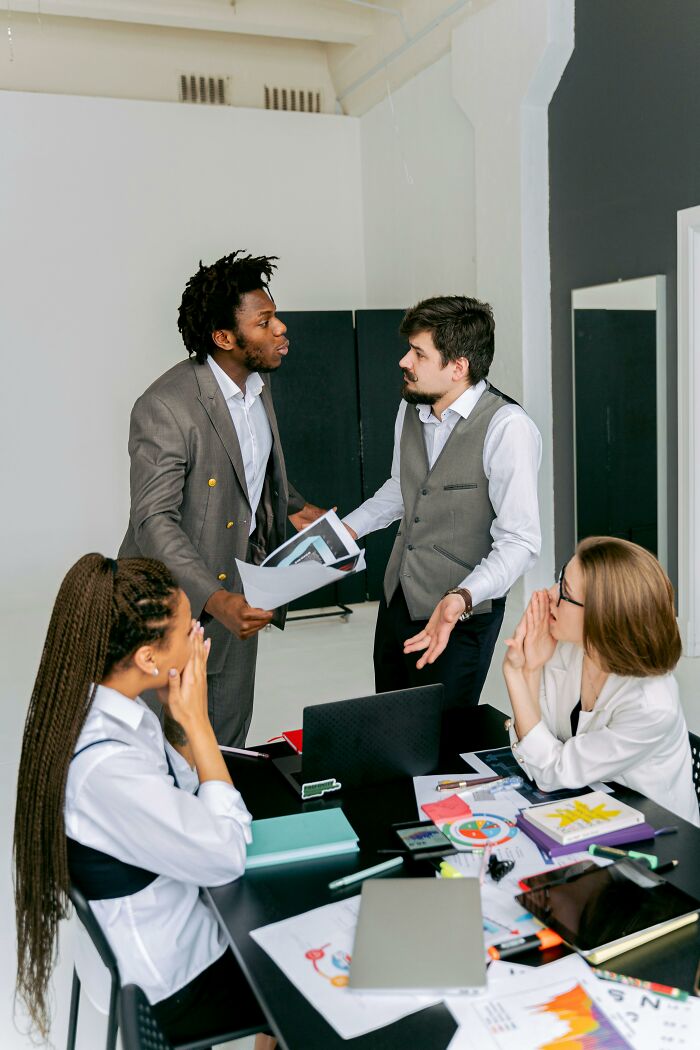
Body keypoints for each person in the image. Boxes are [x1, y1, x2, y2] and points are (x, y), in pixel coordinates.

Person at [14, 553, 275, 1047]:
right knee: (305, 980)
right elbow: (225, 853)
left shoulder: (105, 708)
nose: (201, 634)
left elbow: (185, 788)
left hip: (158, 933)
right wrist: (199, 722)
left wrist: (178, 715)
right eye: (188, 628)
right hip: (171, 982)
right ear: (148, 658)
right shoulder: (108, 770)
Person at [119, 250, 323, 746]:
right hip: (172, 605)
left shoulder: (257, 385)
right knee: (169, 745)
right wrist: (216, 598)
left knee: (227, 734)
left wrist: (297, 507)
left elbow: (246, 466)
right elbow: (153, 521)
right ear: (224, 338)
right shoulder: (165, 407)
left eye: (275, 316)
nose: (280, 329)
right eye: (265, 321)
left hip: (239, 588)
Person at [343, 295, 541, 710]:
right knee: (390, 722)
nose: (404, 362)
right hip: (398, 600)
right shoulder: (410, 408)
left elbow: (520, 542)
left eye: (418, 353)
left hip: (463, 614)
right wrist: (346, 530)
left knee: (442, 740)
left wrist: (462, 597)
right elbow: (401, 488)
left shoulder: (507, 428)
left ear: (458, 366)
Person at [503, 536, 699, 825]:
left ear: (603, 618)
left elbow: (549, 771)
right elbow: (536, 756)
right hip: (592, 809)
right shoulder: (567, 649)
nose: (549, 593)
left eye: (565, 591)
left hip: (656, 836)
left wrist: (514, 672)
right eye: (560, 578)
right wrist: (531, 669)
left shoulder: (652, 704)